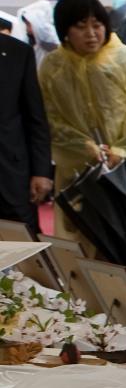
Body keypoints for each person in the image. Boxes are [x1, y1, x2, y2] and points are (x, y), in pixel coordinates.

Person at [39, 0, 126, 260]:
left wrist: (122, 149)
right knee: (84, 241)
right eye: (80, 26)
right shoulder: (53, 66)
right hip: (79, 169)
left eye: (97, 25)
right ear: (65, 30)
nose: (91, 34)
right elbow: (50, 117)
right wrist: (84, 147)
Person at [0, 31, 53, 236]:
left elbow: (35, 118)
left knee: (24, 243)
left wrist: (41, 171)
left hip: (11, 173)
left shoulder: (17, 52)